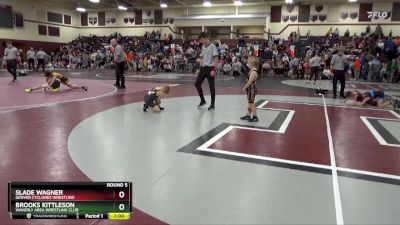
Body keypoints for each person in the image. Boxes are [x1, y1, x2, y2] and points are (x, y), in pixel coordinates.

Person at [195, 32, 219, 110]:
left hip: (210, 68)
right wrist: (199, 68)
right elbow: (201, 58)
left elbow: (216, 58)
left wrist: (213, 69)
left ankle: (212, 104)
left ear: (205, 38)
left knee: (211, 87)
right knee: (197, 84)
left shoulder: (213, 46)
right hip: (203, 68)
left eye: (201, 39)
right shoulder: (203, 47)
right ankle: (202, 100)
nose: (201, 41)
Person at [240, 57, 259, 122]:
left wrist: (244, 87)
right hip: (250, 89)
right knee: (250, 103)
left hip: (251, 90)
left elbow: (250, 81)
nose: (247, 64)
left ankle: (255, 116)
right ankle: (248, 115)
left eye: (248, 63)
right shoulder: (252, 71)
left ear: (252, 64)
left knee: (251, 103)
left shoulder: (253, 72)